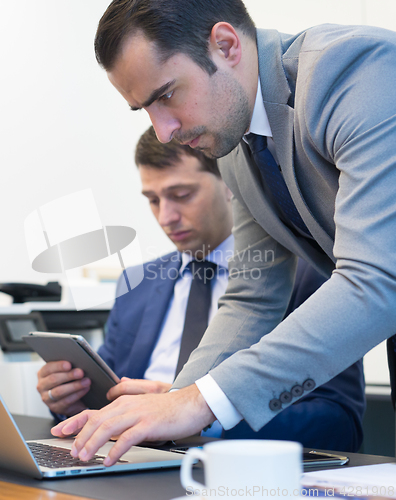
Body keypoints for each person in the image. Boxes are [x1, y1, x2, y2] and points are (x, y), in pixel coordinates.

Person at [53, 2, 395, 464]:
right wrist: (170, 405)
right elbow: (253, 297)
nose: (164, 130)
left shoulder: (356, 71)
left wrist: (200, 401)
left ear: (225, 45)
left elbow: (377, 279)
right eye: (145, 109)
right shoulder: (235, 140)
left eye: (166, 95)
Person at [41, 126, 364, 450]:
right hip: (135, 463)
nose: (166, 216)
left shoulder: (310, 275)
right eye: (153, 200)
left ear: (230, 183)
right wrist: (74, 404)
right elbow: (111, 399)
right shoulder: (135, 284)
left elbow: (339, 424)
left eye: (181, 195)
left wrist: (198, 409)